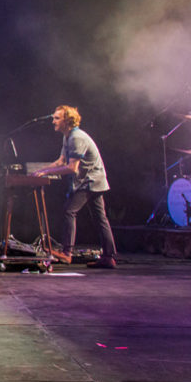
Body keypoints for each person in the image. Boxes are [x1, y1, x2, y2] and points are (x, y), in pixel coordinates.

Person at [33, 105, 119, 268]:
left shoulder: (76, 138)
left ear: (67, 121)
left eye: (57, 118)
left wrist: (45, 173)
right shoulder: (68, 136)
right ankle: (109, 257)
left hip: (91, 181)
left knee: (69, 211)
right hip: (92, 180)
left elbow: (72, 168)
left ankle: (67, 253)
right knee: (101, 219)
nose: (53, 121)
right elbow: (61, 161)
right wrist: (42, 170)